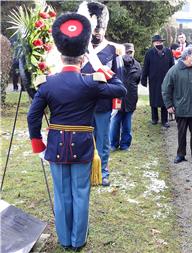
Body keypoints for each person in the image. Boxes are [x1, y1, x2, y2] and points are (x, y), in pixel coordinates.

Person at [27, 13, 127, 250]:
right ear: (82, 59)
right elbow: (121, 90)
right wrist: (103, 68)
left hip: (56, 145)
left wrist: (37, 143)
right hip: (82, 143)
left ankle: (64, 240)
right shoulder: (90, 82)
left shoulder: (47, 83)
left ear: (61, 58)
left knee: (62, 195)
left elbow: (32, 116)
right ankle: (78, 240)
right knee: (81, 193)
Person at [81, 1, 124, 186]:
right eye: (94, 30)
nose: (96, 34)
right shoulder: (80, 49)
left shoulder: (113, 50)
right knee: (83, 138)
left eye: (99, 30)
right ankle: (84, 170)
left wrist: (117, 103)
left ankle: (102, 171)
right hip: (81, 103)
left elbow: (118, 79)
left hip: (103, 104)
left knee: (103, 141)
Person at [162, 46, 192, 164]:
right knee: (181, 133)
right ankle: (180, 154)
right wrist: (168, 105)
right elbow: (166, 89)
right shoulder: (174, 70)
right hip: (181, 108)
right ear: (187, 57)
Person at [109, 43, 142, 151]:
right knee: (115, 122)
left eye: (131, 52)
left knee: (127, 124)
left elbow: (137, 81)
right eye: (127, 52)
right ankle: (113, 144)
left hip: (131, 98)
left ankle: (125, 145)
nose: (129, 54)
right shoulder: (115, 63)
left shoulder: (137, 66)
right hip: (117, 98)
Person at [141, 34, 174, 128]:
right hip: (153, 80)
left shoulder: (168, 52)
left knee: (165, 99)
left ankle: (165, 120)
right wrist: (144, 79)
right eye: (156, 42)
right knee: (154, 99)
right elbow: (145, 67)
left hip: (166, 80)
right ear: (153, 43)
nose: (158, 43)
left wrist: (173, 78)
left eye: (160, 42)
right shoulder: (149, 53)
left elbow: (172, 66)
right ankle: (154, 118)